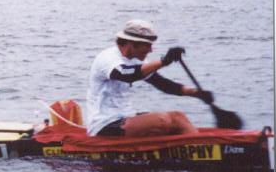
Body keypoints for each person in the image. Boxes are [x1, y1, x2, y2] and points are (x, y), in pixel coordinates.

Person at [86, 19, 214, 138]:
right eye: (147, 45)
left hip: (126, 117)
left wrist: (196, 93)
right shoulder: (108, 58)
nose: (151, 50)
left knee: (179, 117)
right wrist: (164, 61)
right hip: (104, 125)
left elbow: (162, 84)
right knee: (162, 120)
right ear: (132, 44)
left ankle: (200, 146)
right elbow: (127, 74)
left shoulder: (137, 60)